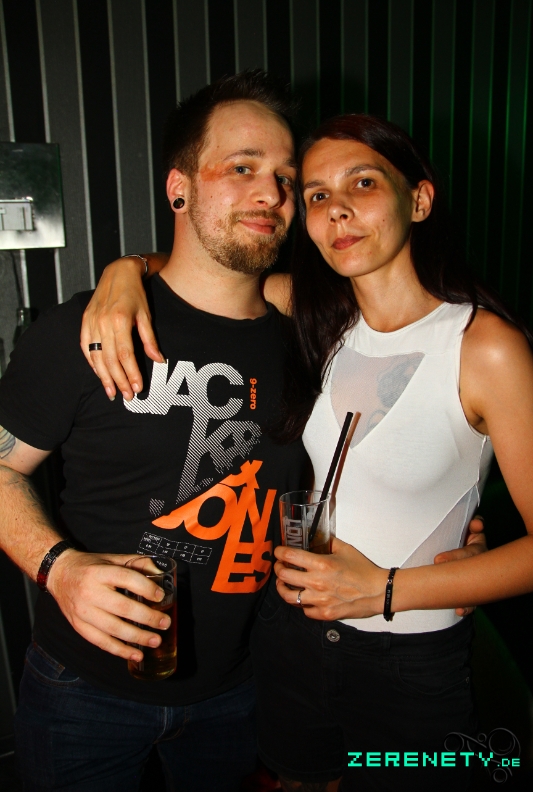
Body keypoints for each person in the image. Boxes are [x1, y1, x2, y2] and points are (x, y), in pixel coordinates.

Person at [79, 111, 533, 792]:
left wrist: (385, 588)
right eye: (317, 194)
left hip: (408, 659)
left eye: (363, 183)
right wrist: (124, 271)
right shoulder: (316, 315)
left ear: (419, 199)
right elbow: (198, 273)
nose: (337, 210)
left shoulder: (484, 347)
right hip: (289, 637)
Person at [0, 70, 309, 792]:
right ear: (179, 188)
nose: (271, 194)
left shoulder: (312, 337)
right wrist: (58, 568)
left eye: (287, 179)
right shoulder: (83, 330)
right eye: (242, 168)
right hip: (84, 690)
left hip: (240, 689)